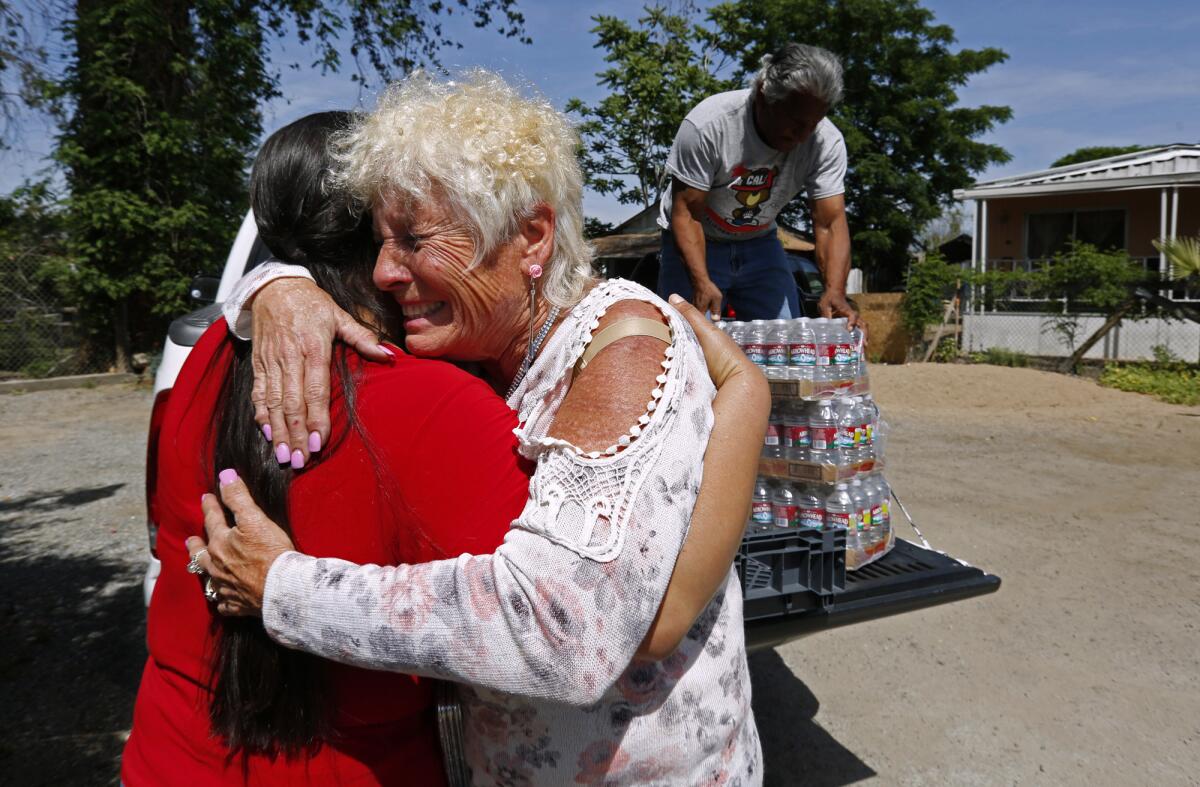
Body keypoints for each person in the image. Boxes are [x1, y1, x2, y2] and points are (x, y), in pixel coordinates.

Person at [188, 71, 768, 785]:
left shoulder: (623, 350)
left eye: (413, 240)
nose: (384, 270)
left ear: (530, 237)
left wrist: (285, 588)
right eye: (378, 241)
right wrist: (279, 283)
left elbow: (562, 632)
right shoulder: (478, 341)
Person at [657, 42, 862, 330]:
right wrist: (701, 281)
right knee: (689, 342)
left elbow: (830, 222)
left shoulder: (826, 141)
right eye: (796, 122)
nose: (804, 136)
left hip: (760, 242)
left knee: (784, 340)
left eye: (813, 124)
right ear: (764, 96)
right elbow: (687, 213)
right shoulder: (709, 125)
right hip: (697, 238)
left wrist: (836, 291)